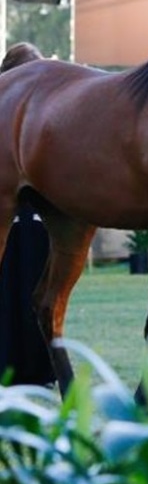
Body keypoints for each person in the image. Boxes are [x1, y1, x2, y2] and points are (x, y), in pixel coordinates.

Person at [0, 42, 56, 387]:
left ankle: (41, 369)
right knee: (8, 293)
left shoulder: (47, 117)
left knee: (41, 292)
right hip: (9, 221)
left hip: (39, 224)